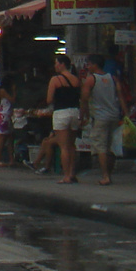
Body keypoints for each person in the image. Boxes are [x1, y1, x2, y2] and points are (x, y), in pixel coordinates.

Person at [81, 54, 124, 186]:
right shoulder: (113, 78)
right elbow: (121, 96)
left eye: (88, 64)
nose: (87, 67)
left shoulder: (91, 79)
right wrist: (125, 113)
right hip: (114, 116)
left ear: (94, 64)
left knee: (101, 147)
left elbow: (84, 99)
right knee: (110, 146)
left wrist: (84, 115)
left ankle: (105, 175)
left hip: (100, 117)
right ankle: (109, 174)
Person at [45, 54, 83, 183]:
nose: (55, 66)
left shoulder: (55, 80)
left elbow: (49, 99)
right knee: (72, 145)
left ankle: (66, 175)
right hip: (75, 112)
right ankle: (72, 173)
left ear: (62, 64)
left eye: (56, 63)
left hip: (61, 113)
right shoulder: (76, 79)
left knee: (64, 147)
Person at [0, 73, 17, 168]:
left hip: (5, 114)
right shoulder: (3, 91)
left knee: (9, 138)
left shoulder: (1, 91)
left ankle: (11, 159)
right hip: (4, 115)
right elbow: (12, 100)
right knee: (3, 138)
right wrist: (14, 91)